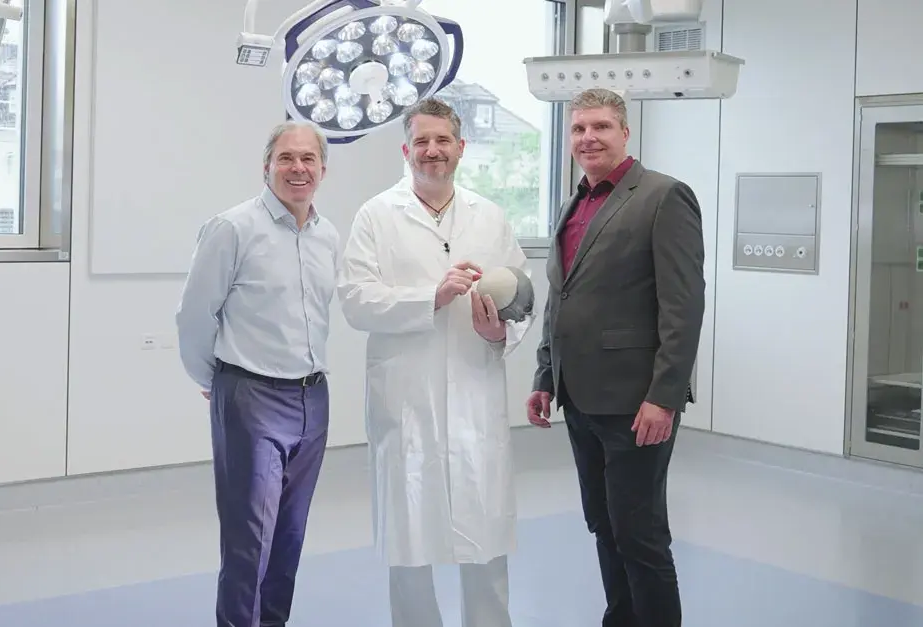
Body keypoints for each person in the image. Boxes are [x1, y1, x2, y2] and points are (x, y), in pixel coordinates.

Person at [337, 97, 532, 627]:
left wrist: (503, 332)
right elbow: (355, 298)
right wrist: (433, 296)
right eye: (421, 141)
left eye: (442, 140)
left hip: (475, 391)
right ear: (406, 149)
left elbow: (522, 298)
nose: (432, 150)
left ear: (461, 147)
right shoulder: (376, 216)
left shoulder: (489, 217)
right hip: (408, 400)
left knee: (486, 539)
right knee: (409, 547)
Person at [525, 88, 705, 627]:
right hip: (579, 398)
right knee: (604, 525)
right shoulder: (574, 203)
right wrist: (544, 375)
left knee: (641, 534)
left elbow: (684, 306)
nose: (588, 138)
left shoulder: (663, 196)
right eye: (578, 129)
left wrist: (663, 397)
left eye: (600, 127)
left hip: (636, 402)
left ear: (625, 131)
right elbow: (561, 298)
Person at [175, 121, 340, 627]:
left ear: (322, 170)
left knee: (290, 535)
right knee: (250, 541)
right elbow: (195, 316)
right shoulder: (233, 228)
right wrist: (219, 382)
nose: (297, 168)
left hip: (313, 398)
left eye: (308, 159)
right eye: (286, 158)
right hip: (250, 395)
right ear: (266, 166)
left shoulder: (327, 235)